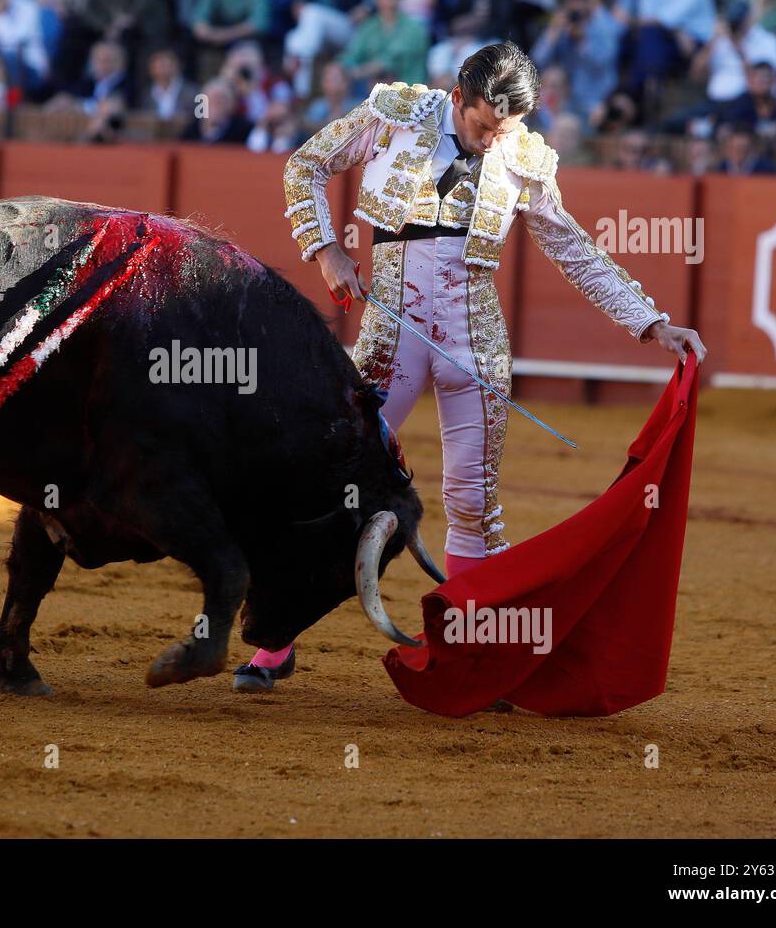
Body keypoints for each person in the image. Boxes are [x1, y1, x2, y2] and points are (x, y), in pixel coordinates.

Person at [235, 42, 707, 691]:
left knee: (473, 503)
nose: (492, 142)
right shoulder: (395, 114)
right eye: (485, 127)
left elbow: (574, 249)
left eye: (504, 130)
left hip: (474, 338)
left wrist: (650, 322)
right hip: (389, 331)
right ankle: (274, 644)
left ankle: (469, 662)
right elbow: (306, 164)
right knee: (330, 481)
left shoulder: (525, 156)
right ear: (458, 99)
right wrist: (323, 250)